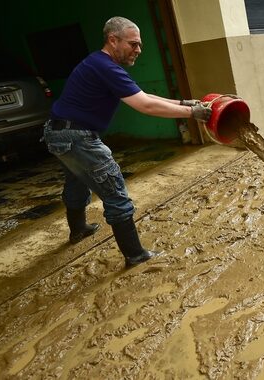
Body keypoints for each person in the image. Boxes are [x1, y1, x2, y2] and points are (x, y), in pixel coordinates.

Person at [43, 16, 212, 268]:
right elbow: (145, 105)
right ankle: (135, 255)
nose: (138, 50)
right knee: (115, 193)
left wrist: (185, 103)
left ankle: (78, 229)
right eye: (133, 44)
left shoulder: (100, 63)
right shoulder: (106, 67)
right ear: (113, 40)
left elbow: (143, 95)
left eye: (139, 45)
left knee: (77, 181)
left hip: (58, 133)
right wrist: (193, 114)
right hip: (76, 137)